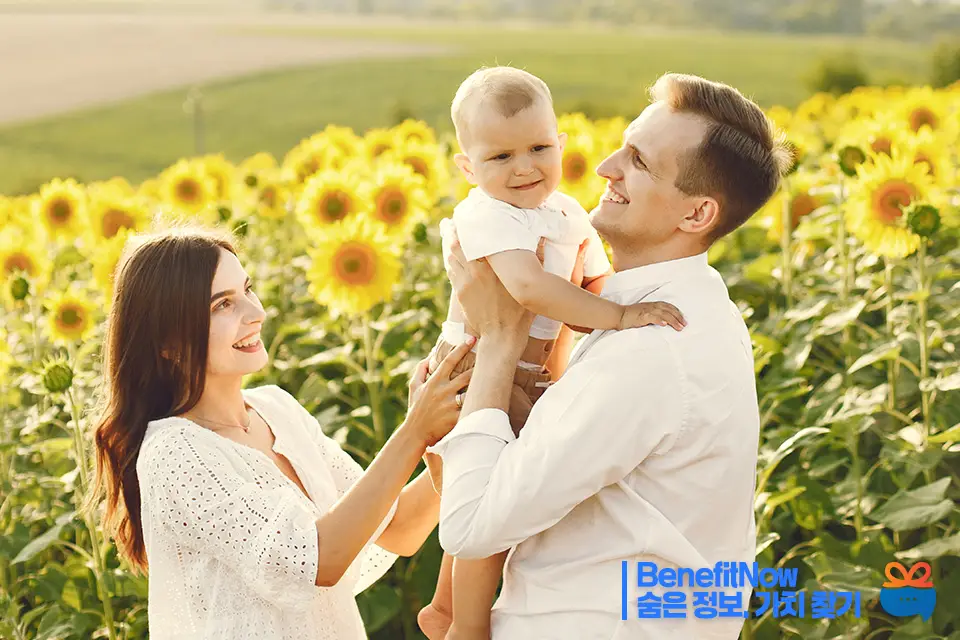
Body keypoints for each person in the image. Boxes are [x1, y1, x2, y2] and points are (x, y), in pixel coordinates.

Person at [426, 72, 791, 639]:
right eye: (623, 145)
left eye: (638, 163)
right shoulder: (694, 307)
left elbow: (472, 526)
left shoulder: (650, 350)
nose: (605, 168)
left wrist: (499, 343)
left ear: (696, 215)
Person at [86, 223, 472, 640]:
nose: (256, 313)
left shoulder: (277, 409)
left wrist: (453, 435)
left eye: (247, 290)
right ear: (167, 341)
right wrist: (415, 430)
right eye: (222, 305)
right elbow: (319, 559)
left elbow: (398, 528)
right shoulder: (174, 454)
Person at [417, 66, 686, 640]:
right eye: (499, 158)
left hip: (530, 373)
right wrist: (619, 318)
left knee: (506, 500)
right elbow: (532, 288)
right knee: (492, 501)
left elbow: (593, 280)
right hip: (474, 371)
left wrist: (624, 302)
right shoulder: (485, 213)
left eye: (539, 147)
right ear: (468, 168)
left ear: (562, 143)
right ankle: (465, 625)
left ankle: (444, 606)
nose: (523, 167)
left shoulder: (565, 213)